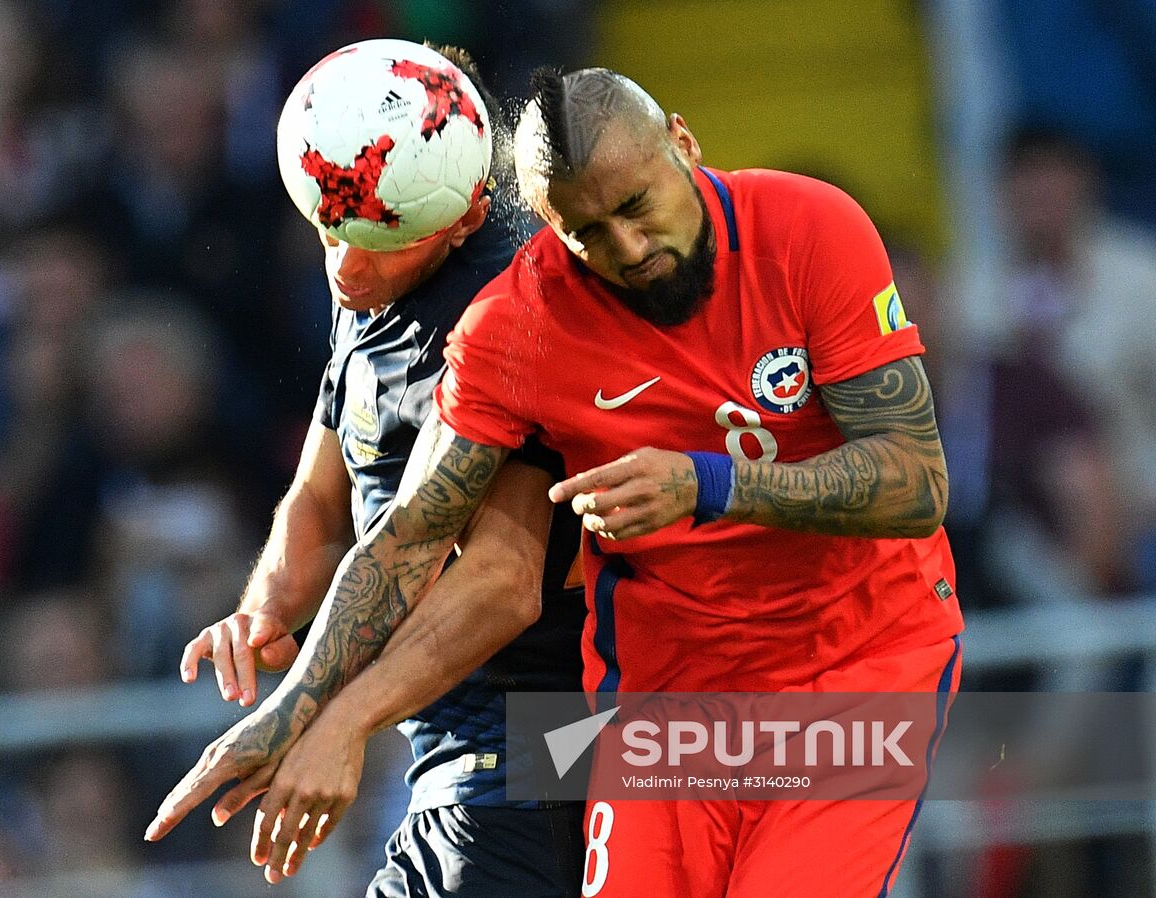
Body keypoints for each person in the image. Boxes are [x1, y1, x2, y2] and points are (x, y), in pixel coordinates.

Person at [148, 66, 964, 897]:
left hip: (857, 662)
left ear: (683, 143)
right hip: (667, 686)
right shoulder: (518, 325)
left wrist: (706, 483)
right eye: (589, 234)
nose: (629, 250)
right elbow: (406, 537)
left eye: (638, 206)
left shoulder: (807, 228)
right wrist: (290, 714)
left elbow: (916, 481)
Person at [145, 44, 588, 896]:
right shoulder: (373, 238)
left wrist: (335, 719)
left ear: (464, 217)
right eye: (331, 231)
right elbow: (321, 494)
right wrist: (267, 606)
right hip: (458, 754)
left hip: (546, 746)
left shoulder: (508, 313)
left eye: (381, 244)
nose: (346, 268)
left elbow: (502, 581)